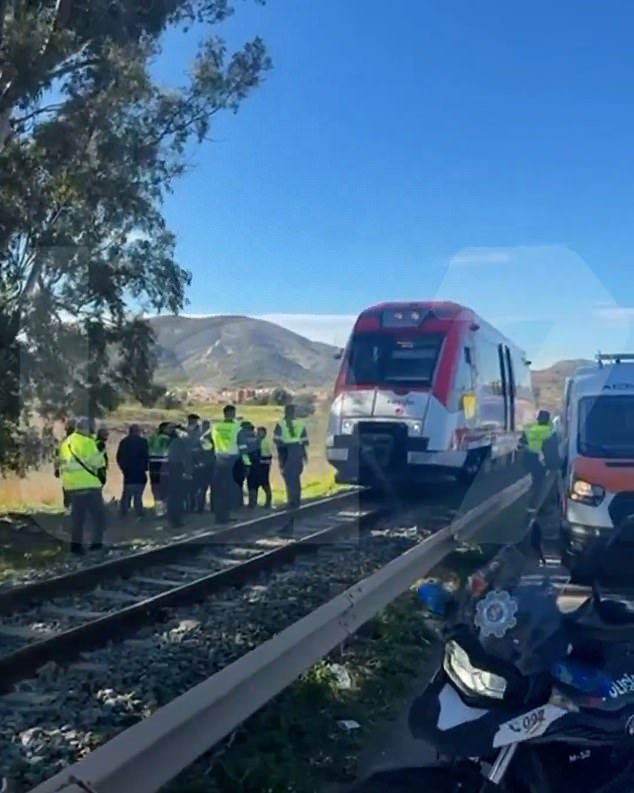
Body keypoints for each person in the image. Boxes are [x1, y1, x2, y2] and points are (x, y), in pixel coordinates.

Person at [57, 417, 107, 553]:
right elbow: (97, 463)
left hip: (72, 486)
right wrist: (101, 453)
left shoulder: (65, 443)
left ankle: (76, 546)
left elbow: (62, 464)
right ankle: (96, 545)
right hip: (89, 485)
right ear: (86, 428)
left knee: (78, 519)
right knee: (99, 517)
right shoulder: (87, 442)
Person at [211, 405, 247, 523]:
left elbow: (203, 439)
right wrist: (247, 463)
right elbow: (242, 447)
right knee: (228, 488)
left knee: (219, 489)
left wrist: (212, 450)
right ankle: (225, 515)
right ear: (233, 413)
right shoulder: (237, 428)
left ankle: (219, 516)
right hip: (232, 460)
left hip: (218, 459)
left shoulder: (216, 426)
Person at [273, 404, 309, 510]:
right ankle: (296, 500)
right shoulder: (300, 424)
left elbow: (277, 440)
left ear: (285, 412)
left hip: (286, 451)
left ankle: (291, 501)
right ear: (294, 412)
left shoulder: (281, 424)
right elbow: (305, 441)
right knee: (296, 477)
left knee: (288, 477)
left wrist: (281, 457)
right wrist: (304, 455)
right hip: (298, 451)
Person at [116, 424, 149, 518]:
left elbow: (119, 457)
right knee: (138, 494)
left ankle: (124, 512)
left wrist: (123, 469)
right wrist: (145, 467)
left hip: (128, 472)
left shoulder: (124, 442)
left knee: (127, 492)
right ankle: (139, 512)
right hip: (139, 471)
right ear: (138, 431)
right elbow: (146, 456)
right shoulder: (143, 441)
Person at [165, 423, 191, 528]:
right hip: (177, 470)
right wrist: (187, 471)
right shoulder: (178, 442)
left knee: (173, 496)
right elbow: (183, 457)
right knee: (177, 496)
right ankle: (175, 520)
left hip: (171, 469)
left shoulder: (171, 441)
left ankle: (173, 519)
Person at [148, 422, 171, 516]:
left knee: (155, 486)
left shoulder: (152, 437)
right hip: (163, 463)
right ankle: (164, 509)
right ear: (163, 429)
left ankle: (158, 509)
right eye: (169, 428)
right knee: (165, 486)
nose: (171, 430)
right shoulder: (166, 438)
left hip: (153, 463)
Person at [247, 426, 273, 509]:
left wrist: (263, 462)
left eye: (260, 432)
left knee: (265, 484)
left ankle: (268, 502)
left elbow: (269, 456)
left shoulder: (266, 442)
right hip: (255, 465)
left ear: (265, 433)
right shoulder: (254, 441)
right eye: (257, 432)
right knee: (253, 485)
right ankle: (252, 503)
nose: (258, 434)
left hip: (263, 466)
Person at [54, 419, 76, 513]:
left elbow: (57, 456)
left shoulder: (63, 442)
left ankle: (69, 506)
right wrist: (56, 468)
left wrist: (56, 469)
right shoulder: (76, 441)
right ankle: (69, 506)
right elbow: (57, 456)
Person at [196, 419, 215, 512]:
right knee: (208, 487)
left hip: (205, 465)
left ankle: (201, 508)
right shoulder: (209, 436)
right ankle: (211, 507)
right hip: (209, 464)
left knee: (203, 487)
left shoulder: (201, 437)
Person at [185, 414, 202, 512]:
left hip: (197, 460)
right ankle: (189, 506)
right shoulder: (185, 430)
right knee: (188, 485)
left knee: (197, 485)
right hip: (186, 461)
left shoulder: (199, 431)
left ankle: (197, 506)